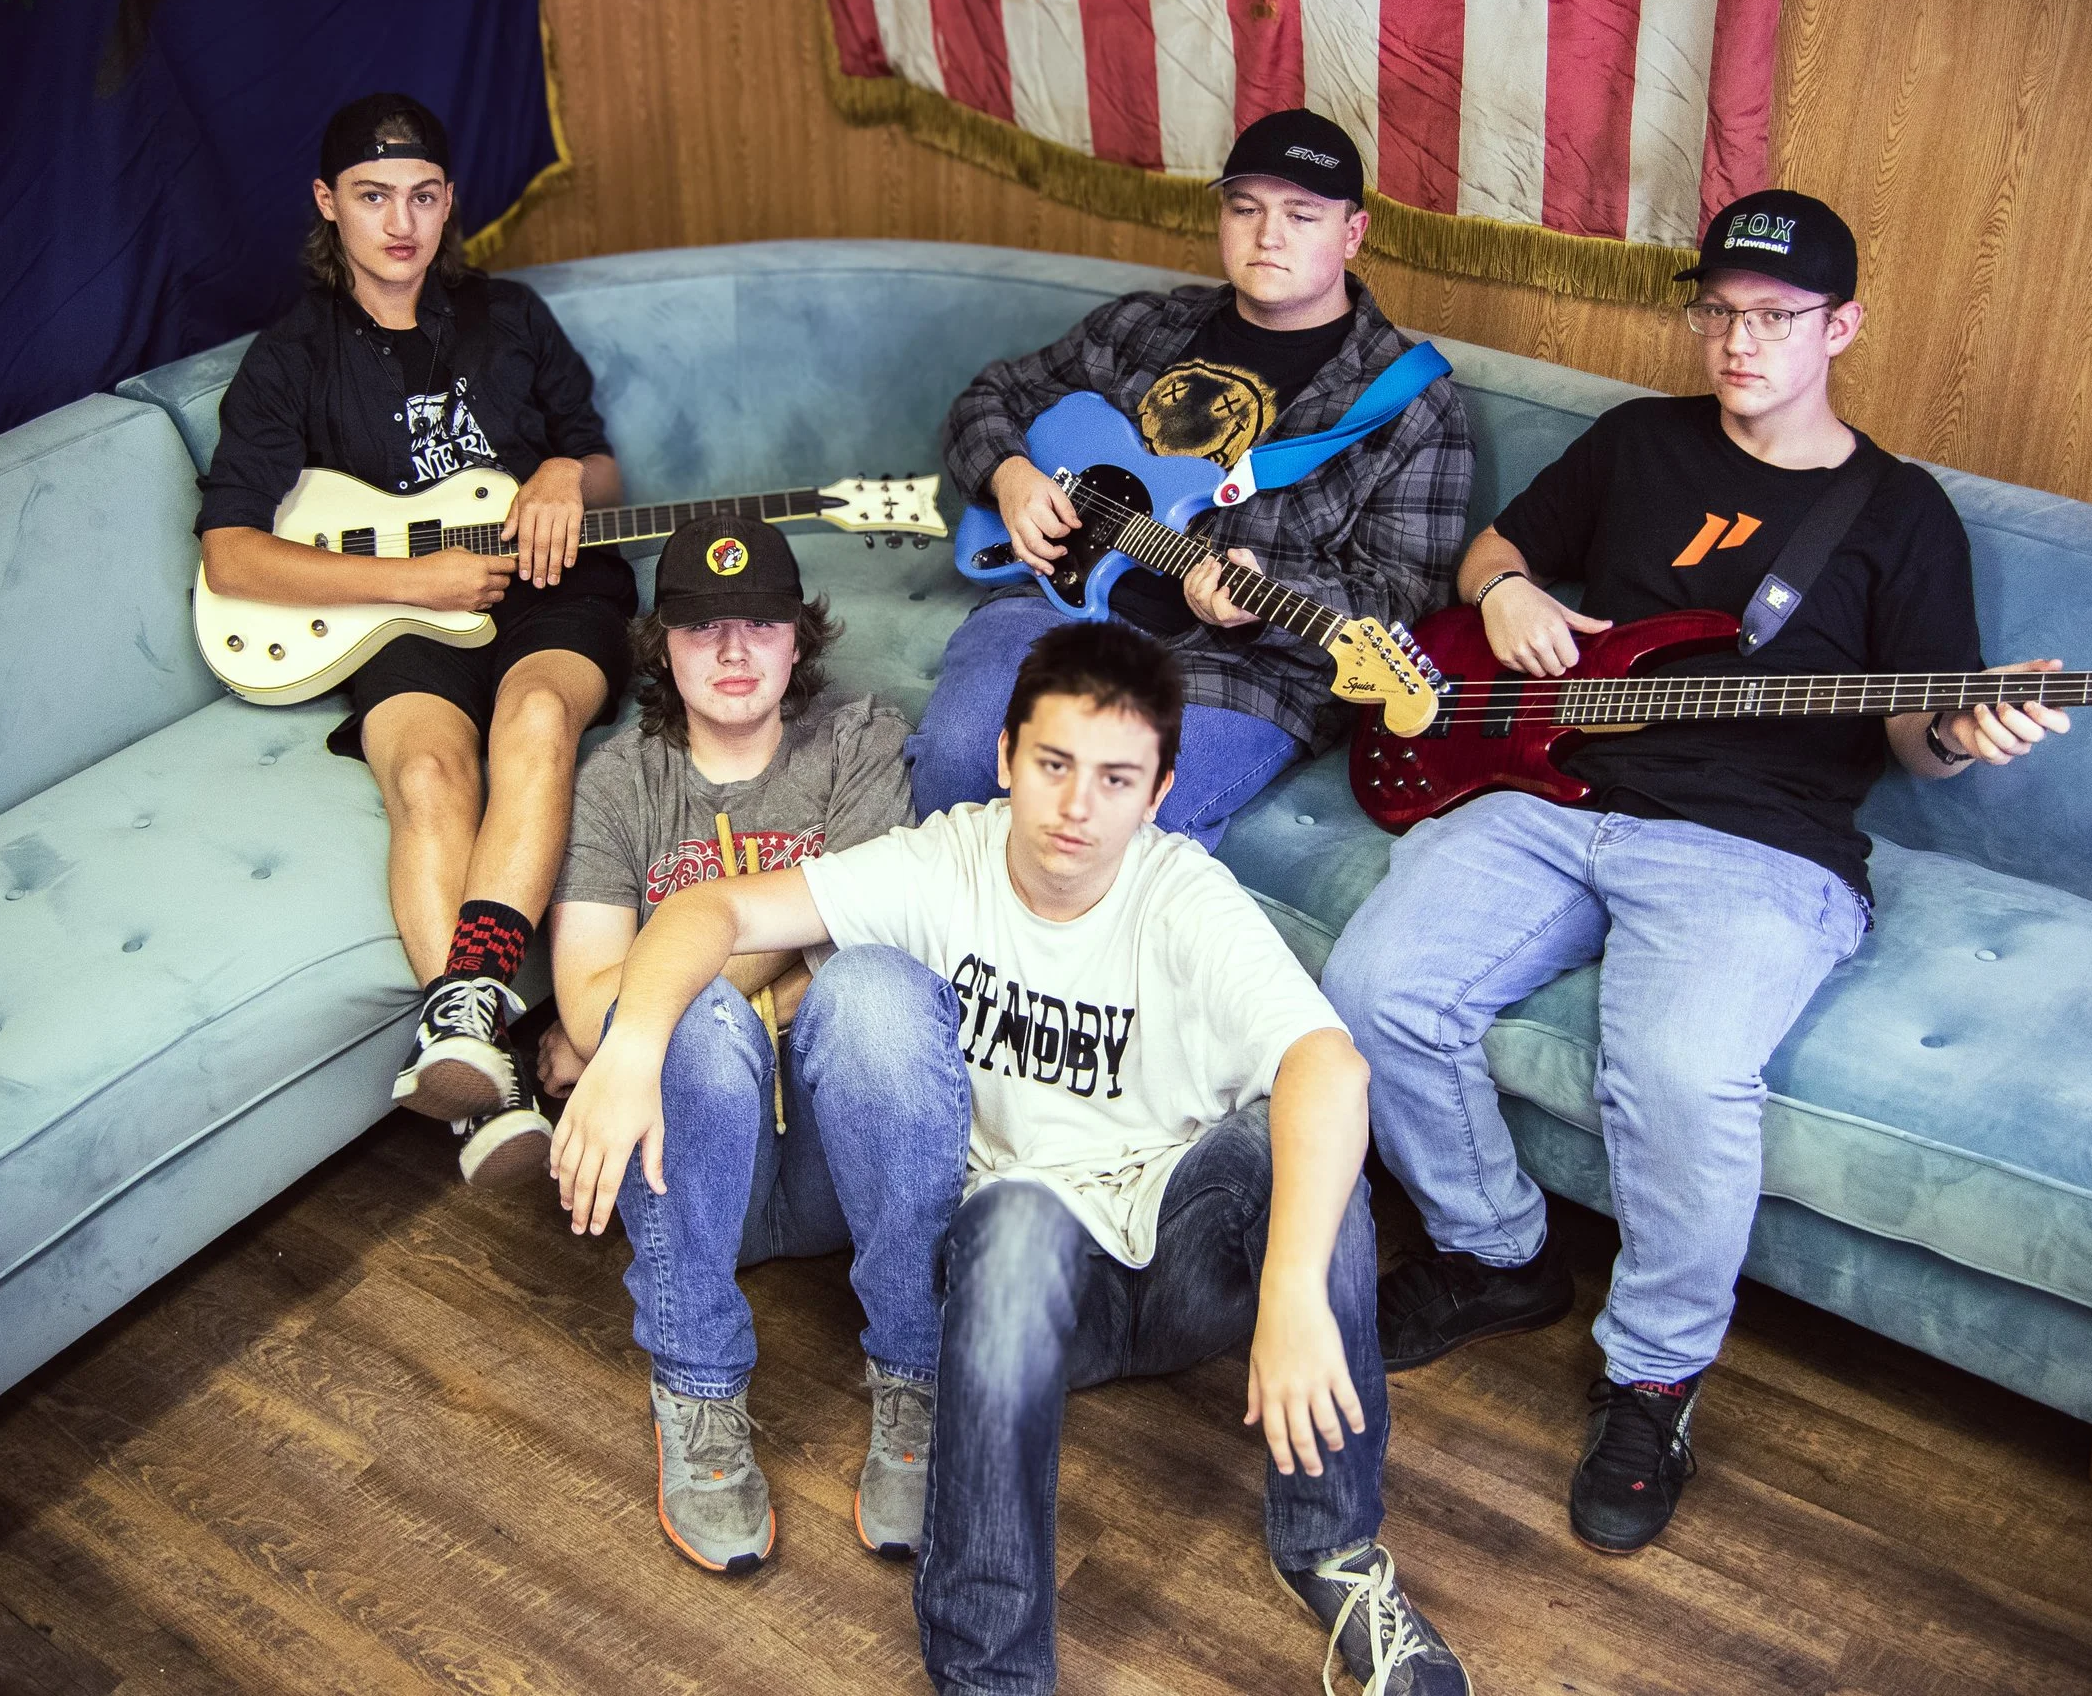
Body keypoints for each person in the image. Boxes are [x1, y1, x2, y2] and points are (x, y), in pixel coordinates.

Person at [1322, 190, 2072, 1555]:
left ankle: (1655, 1375)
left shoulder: (1901, 516)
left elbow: (1919, 737)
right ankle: (1498, 1253)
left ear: (1842, 326)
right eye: (1719, 311)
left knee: (1672, 1070)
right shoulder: (1638, 441)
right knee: (1374, 984)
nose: (1739, 342)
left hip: (1758, 844)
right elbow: (1498, 552)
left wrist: (1971, 726)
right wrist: (1504, 594)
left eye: (1776, 318)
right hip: (1557, 795)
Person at [556, 622, 1470, 1694]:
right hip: (1016, 1295)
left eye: (1116, 777)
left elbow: (1328, 1063)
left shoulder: (1181, 896)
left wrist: (1291, 1294)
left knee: (1298, 1147)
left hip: (1182, 1263)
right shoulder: (946, 861)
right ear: (1003, 760)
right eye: (1053, 765)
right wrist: (628, 1047)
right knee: (1013, 1213)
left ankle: (1334, 1554)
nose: (1078, 806)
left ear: (1159, 789)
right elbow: (713, 908)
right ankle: (989, 1674)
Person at [195, 92, 638, 1187]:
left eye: (425, 196)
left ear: (449, 205)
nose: (401, 222)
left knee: (535, 720)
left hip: (547, 589)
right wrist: (413, 579)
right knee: (433, 773)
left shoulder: (511, 317)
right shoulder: (292, 357)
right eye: (373, 196)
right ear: (327, 204)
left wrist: (556, 473)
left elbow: (600, 466)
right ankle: (498, 1067)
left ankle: (465, 1020)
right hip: (397, 611)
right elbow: (230, 554)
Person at [913, 108, 1473, 847]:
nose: (1267, 235)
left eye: (1301, 214)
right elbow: (991, 397)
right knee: (958, 757)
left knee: (1128, 825)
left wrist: (1263, 594)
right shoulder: (1145, 325)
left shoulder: (1412, 404)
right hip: (1058, 604)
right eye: (1246, 208)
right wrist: (1009, 475)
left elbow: (1402, 598)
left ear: (1353, 233)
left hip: (1243, 667)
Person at [538, 517, 916, 1572]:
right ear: (664, 644)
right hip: (705, 1174)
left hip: (852, 1157)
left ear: (801, 637)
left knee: (878, 989)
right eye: (706, 628)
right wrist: (766, 961)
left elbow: (870, 939)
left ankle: (917, 1378)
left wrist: (665, 974)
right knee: (689, 1025)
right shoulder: (622, 782)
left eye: (762, 622)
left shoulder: (857, 740)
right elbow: (585, 1015)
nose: (737, 651)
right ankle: (696, 1393)